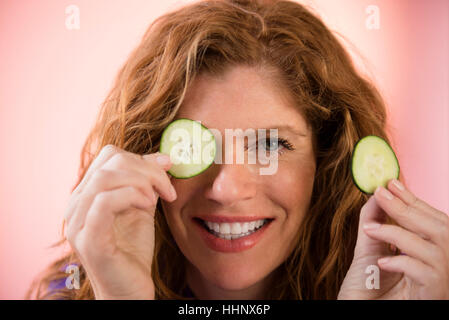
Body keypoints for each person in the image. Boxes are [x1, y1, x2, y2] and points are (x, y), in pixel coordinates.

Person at [26, 0, 449, 300]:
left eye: (269, 144)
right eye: (194, 144)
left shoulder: (401, 290)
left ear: (329, 158)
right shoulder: (74, 291)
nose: (225, 189)